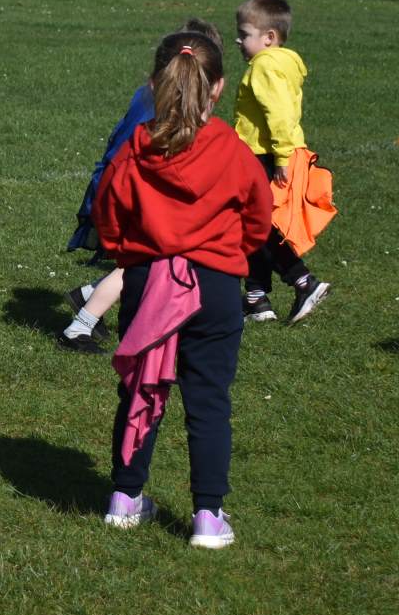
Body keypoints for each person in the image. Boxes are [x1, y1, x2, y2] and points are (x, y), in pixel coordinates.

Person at [92, 30, 271, 549]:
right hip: (215, 286)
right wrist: (229, 255)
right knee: (209, 400)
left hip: (149, 282)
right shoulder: (233, 151)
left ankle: (125, 498)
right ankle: (208, 517)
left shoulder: (135, 149)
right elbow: (259, 218)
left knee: (140, 389)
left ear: (154, 84)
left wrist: (133, 257)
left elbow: (108, 214)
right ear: (218, 88)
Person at [62, 17, 222, 352]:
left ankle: (89, 297)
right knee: (143, 262)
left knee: (148, 263)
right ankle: (80, 325)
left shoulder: (157, 99)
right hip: (126, 194)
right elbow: (127, 156)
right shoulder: (159, 111)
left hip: (125, 192)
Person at [232, 0, 330, 325]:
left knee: (256, 226)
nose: (238, 41)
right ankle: (256, 297)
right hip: (274, 152)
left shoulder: (264, 65)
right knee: (257, 224)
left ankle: (302, 280)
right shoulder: (284, 62)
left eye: (244, 34)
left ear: (269, 37)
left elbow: (279, 113)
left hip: (264, 154)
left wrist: (282, 156)